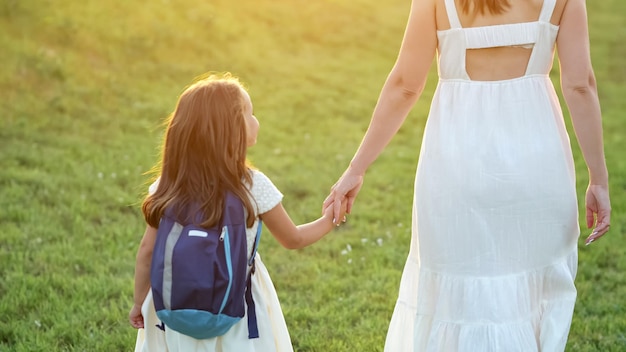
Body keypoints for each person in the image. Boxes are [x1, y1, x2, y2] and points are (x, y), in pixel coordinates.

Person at [324, 0, 611, 350]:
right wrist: (598, 179)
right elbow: (580, 86)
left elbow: (405, 85)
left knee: (456, 298)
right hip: (537, 166)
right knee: (527, 300)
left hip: (455, 164)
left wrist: (356, 169)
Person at [129, 73, 346, 352]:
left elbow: (147, 251)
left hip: (172, 308)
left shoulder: (167, 186)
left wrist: (139, 303)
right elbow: (293, 239)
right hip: (237, 306)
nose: (257, 121)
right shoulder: (252, 186)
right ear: (232, 130)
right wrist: (331, 218)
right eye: (251, 114)